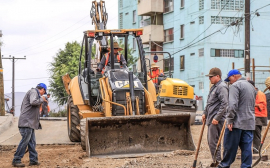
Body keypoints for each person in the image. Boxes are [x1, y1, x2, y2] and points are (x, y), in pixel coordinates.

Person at [218, 70, 256, 168]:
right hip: (249, 123)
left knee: (229, 147)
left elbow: (232, 104)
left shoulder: (235, 86)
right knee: (247, 148)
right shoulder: (251, 87)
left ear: (234, 76)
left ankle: (224, 166)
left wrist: (230, 119)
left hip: (236, 123)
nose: (230, 82)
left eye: (230, 79)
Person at [12, 83, 47, 167]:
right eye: (44, 92)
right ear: (42, 89)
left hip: (29, 123)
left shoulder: (33, 93)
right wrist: (42, 99)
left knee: (32, 142)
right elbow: (33, 102)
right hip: (26, 123)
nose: (43, 94)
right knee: (25, 142)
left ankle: (33, 160)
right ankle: (16, 159)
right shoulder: (33, 91)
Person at [202, 67, 228, 163]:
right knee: (211, 141)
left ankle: (217, 161)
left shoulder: (222, 87)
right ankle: (216, 160)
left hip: (217, 119)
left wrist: (217, 117)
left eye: (211, 77)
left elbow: (224, 103)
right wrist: (205, 113)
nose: (210, 78)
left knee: (213, 142)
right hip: (211, 118)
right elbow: (209, 102)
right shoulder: (214, 87)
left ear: (218, 76)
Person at [247, 80, 268, 153]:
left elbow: (261, 106)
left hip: (258, 116)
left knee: (256, 134)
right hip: (254, 116)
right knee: (253, 134)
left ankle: (256, 151)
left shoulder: (260, 94)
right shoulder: (253, 93)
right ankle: (254, 150)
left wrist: (250, 104)